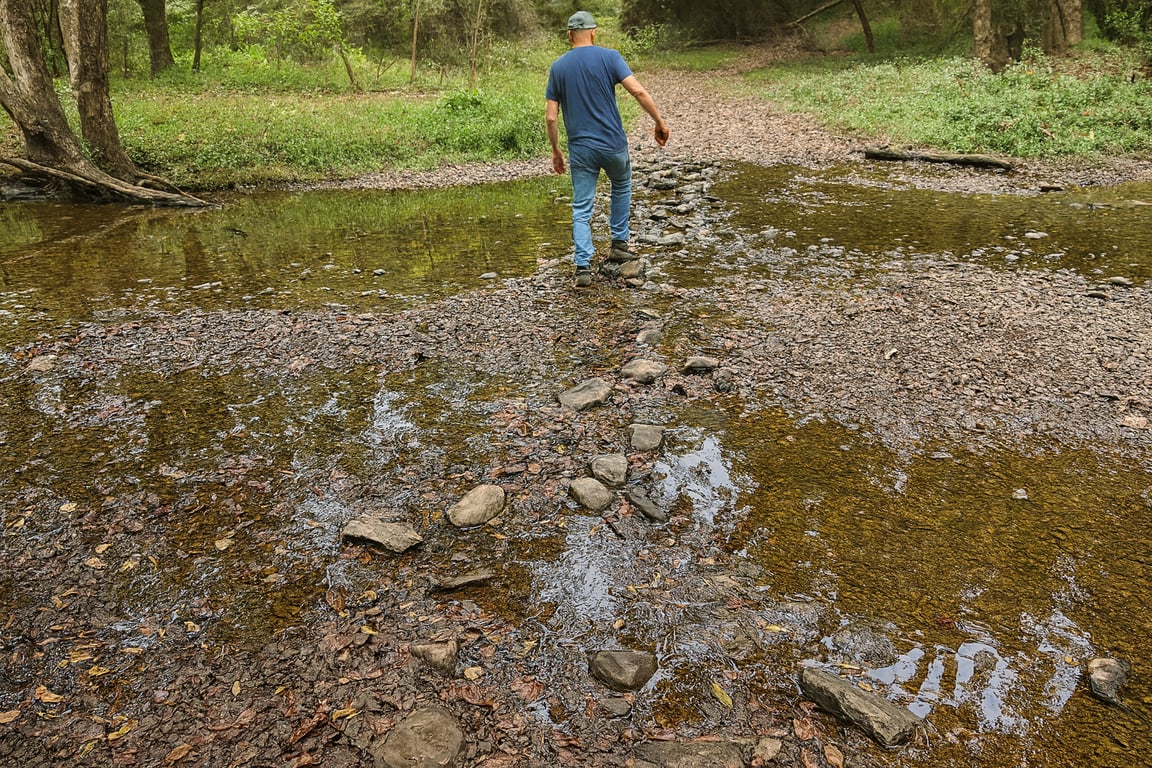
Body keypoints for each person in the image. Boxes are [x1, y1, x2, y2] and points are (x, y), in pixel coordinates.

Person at [545, 10, 669, 288]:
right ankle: (619, 244)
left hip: (581, 149)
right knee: (621, 185)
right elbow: (638, 91)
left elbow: (551, 117)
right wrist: (659, 122)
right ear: (593, 32)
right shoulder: (610, 57)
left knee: (581, 206)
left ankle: (582, 268)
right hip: (613, 144)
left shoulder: (558, 67)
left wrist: (556, 150)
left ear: (569, 36)